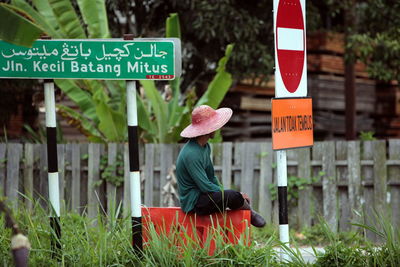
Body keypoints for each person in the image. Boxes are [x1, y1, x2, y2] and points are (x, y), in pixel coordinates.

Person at [176, 105, 266, 227]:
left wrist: (228, 193)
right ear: (208, 129)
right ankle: (252, 214)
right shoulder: (191, 154)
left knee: (236, 198)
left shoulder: (205, 147)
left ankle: (246, 213)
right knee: (234, 196)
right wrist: (233, 195)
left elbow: (211, 177)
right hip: (195, 203)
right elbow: (205, 186)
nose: (217, 129)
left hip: (204, 196)